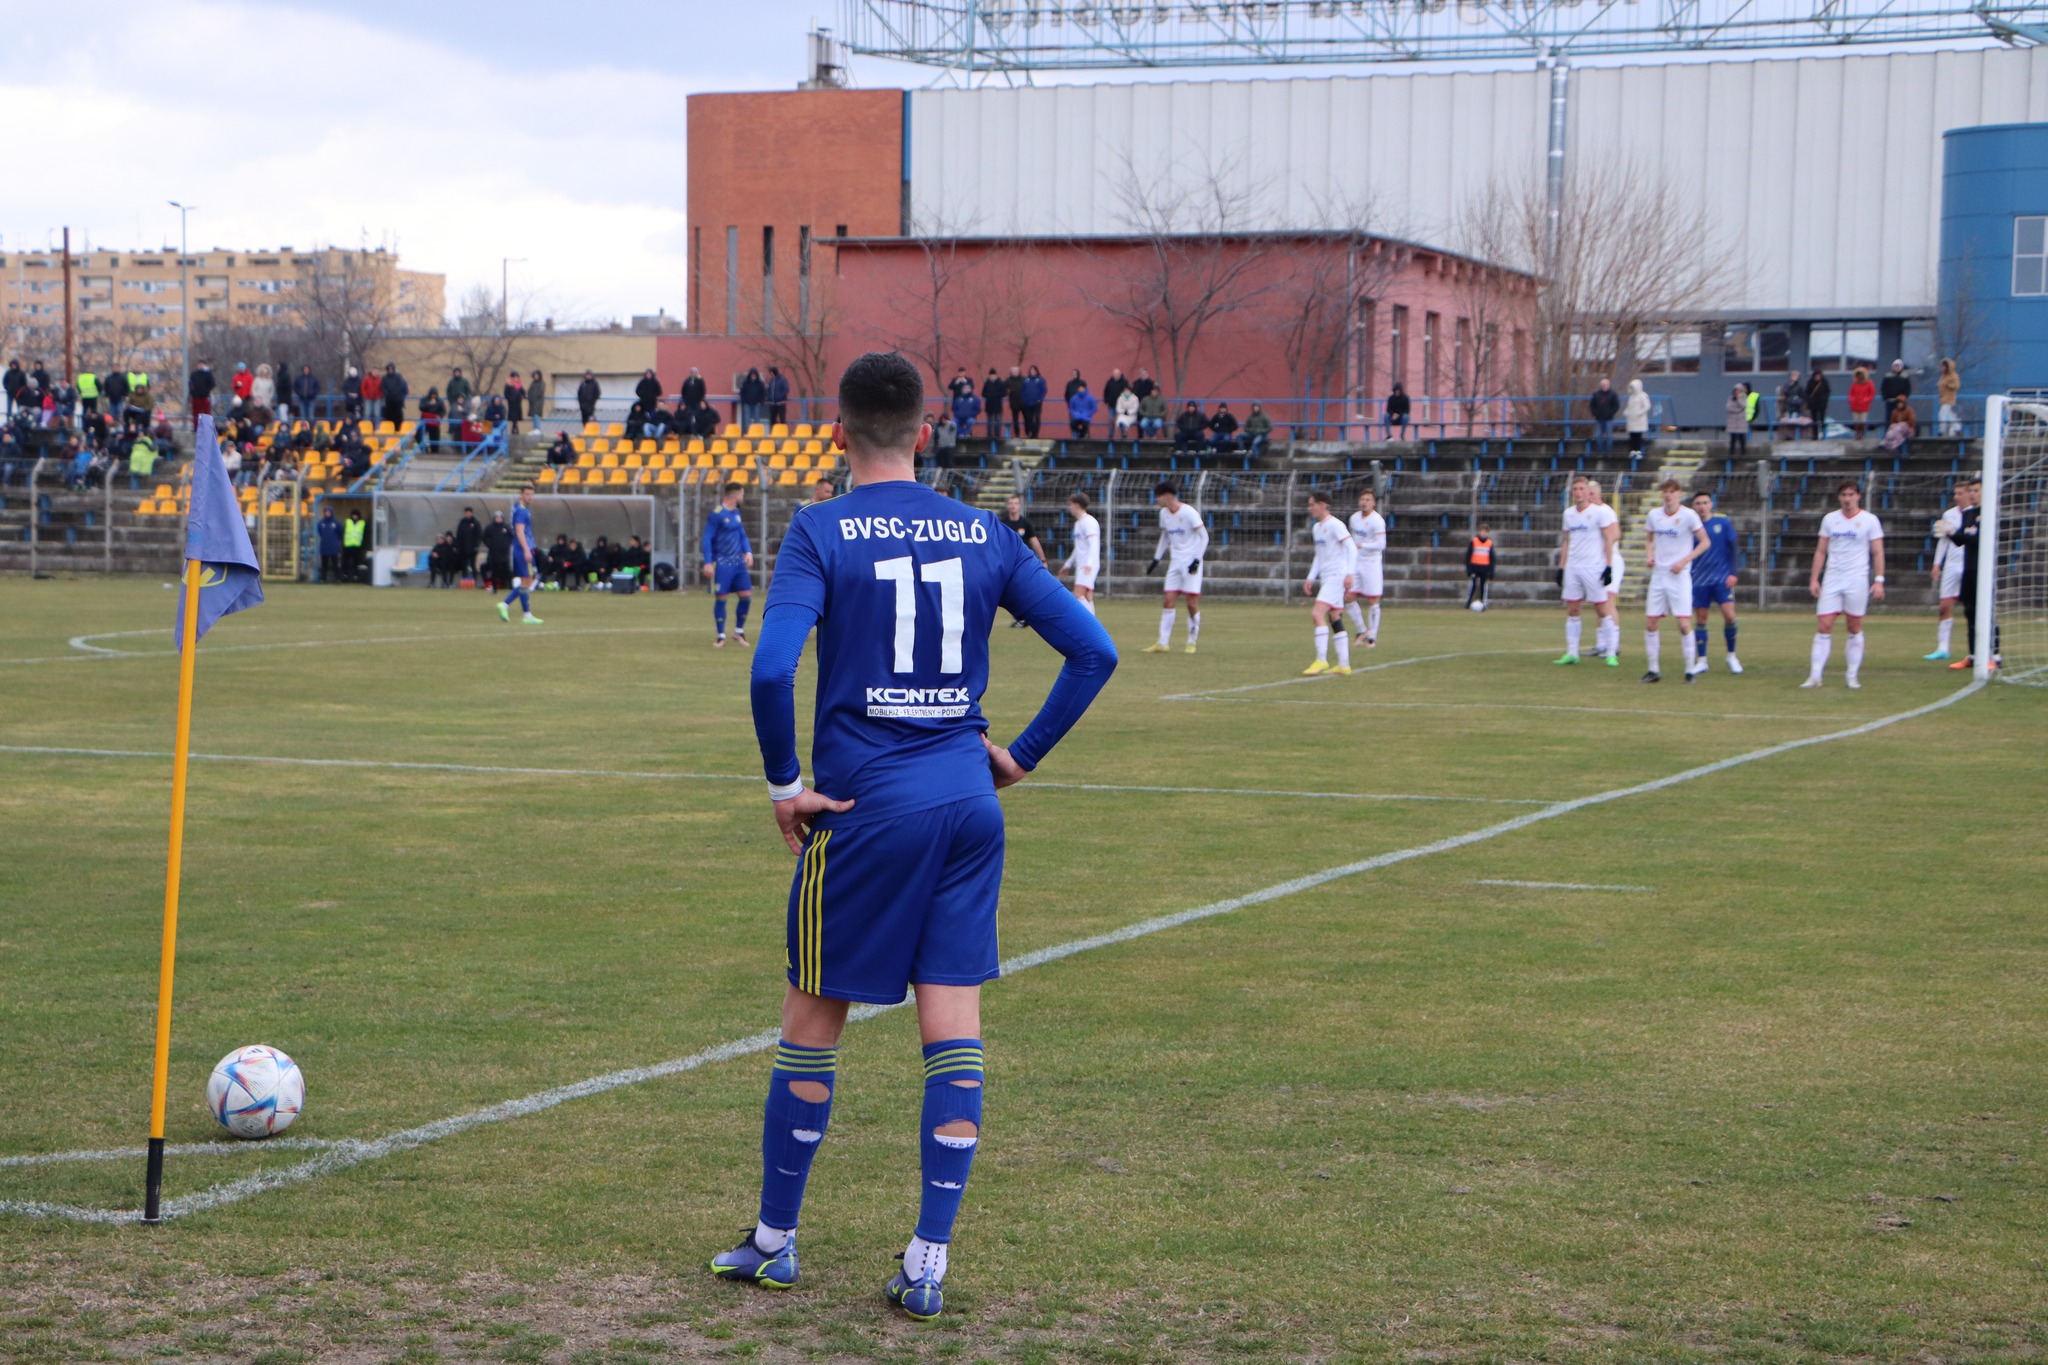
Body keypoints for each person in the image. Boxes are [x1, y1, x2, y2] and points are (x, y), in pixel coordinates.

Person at [712, 350, 1116, 1321]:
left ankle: (774, 1242)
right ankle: (926, 1259)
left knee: (813, 1025)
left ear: (839, 432)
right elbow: (1092, 650)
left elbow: (771, 672)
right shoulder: (982, 531)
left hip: (862, 811)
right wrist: (1014, 757)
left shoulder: (819, 528)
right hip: (965, 810)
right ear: (924, 432)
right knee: (952, 1035)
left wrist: (783, 787)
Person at [1803, 481, 1884, 689]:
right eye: (1843, 495)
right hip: (1833, 577)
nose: (1847, 499)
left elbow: (1877, 551)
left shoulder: (1869, 520)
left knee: (1854, 625)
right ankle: (1815, 675)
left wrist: (1879, 580)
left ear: (1858, 496)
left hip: (1857, 578)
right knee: (1824, 625)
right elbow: (1821, 551)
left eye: (1851, 494)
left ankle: (1852, 675)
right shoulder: (1830, 520)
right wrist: (1814, 578)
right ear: (1839, 497)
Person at [1640, 480, 1710, 684]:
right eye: (1665, 492)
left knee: (1683, 623)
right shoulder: (1654, 515)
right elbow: (1649, 538)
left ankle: (1689, 670)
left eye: (1672, 492)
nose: (1668, 495)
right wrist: (1649, 555)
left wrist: (1684, 560)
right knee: (1651, 622)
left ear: (1679, 494)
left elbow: (1705, 542)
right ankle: (1653, 670)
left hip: (1679, 577)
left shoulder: (1688, 515)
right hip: (1660, 575)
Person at [1555, 476, 1619, 667]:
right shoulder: (1568, 514)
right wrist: (1561, 566)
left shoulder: (1599, 513)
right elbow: (1567, 540)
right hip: (1573, 567)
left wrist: (1608, 567)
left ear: (1587, 492)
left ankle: (1610, 652)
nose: (1578, 492)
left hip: (1593, 567)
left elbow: (1609, 539)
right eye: (1575, 489)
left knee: (1602, 609)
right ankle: (1572, 653)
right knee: (1573, 609)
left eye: (1581, 489)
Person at [1144, 481, 1208, 654]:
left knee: (1191, 604)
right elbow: (1165, 536)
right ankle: (1163, 642)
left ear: (1167, 496)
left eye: (1157, 497)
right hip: (1175, 562)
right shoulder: (1164, 513)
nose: (1156, 500)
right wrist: (1156, 558)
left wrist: (1196, 559)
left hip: (1191, 564)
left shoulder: (1189, 512)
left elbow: (1204, 537)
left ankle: (1191, 642)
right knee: (1168, 600)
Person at [1943, 476, 1997, 672]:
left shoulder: (1989, 513)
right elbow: (1962, 541)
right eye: (1971, 491)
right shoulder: (1968, 514)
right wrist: (1949, 532)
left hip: (1985, 570)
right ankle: (1974, 655)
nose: (1972, 494)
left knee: (1987, 612)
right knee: (1969, 612)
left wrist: (1962, 534)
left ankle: (1994, 656)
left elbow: (1980, 539)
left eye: (1976, 490)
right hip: (1970, 569)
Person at [1301, 490, 1356, 677]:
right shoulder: (1317, 528)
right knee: (1334, 616)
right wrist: (1310, 577)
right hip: (1326, 577)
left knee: (1317, 614)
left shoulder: (1336, 525)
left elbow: (1352, 549)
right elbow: (1319, 556)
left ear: (1323, 504)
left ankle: (1321, 659)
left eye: (1312, 504)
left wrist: (1350, 573)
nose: (1310, 508)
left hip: (1336, 577)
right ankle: (1343, 664)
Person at [1689, 491, 1745, 675]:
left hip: (1722, 578)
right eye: (1698, 503)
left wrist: (1733, 573)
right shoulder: (1690, 526)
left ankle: (1731, 655)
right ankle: (1702, 660)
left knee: (1729, 616)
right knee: (1701, 619)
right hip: (1699, 579)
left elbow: (1734, 549)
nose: (1702, 506)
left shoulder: (1723, 523)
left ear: (1711, 504)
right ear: (1693, 506)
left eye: (1705, 502)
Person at [703, 480, 755, 646]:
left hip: (738, 564)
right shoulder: (717, 514)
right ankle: (721, 636)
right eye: (742, 494)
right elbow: (707, 539)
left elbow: (742, 535)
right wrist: (708, 562)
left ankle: (739, 631)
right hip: (723, 563)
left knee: (746, 596)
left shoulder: (736, 513)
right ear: (736, 495)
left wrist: (748, 552)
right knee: (721, 598)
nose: (743, 497)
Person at [1927, 478, 1973, 661]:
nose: (1957, 496)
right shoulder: (1949, 515)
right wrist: (1937, 564)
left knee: (1971, 607)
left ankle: (1978, 649)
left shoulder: (1976, 514)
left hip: (1969, 564)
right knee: (1945, 605)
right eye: (1955, 493)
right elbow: (1943, 541)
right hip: (1952, 565)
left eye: (1960, 493)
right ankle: (1943, 647)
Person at [1344, 488, 1387, 647]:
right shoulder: (1354, 518)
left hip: (1371, 564)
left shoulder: (1377, 520)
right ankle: (1362, 630)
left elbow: (1381, 544)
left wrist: (1363, 545)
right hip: (1355, 563)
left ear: (1373, 503)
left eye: (1368, 500)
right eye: (1362, 499)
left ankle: (1372, 637)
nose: (1364, 502)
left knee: (1373, 599)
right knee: (1348, 597)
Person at [495, 485, 544, 624]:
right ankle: (523, 613)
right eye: (527, 494)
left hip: (524, 548)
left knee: (526, 581)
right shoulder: (521, 511)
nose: (530, 497)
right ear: (521, 495)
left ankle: (508, 606)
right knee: (526, 581)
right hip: (523, 550)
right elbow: (519, 531)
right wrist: (527, 550)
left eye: (531, 494)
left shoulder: (520, 508)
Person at [996, 495, 1046, 627]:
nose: (1013, 506)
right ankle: (1022, 617)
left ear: (1019, 506)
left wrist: (1043, 558)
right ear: (1008, 506)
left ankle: (1026, 617)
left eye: (1016, 503)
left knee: (1025, 590)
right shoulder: (1003, 524)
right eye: (1011, 503)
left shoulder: (1025, 523)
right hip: (1007, 563)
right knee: (1009, 592)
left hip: (1023, 563)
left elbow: (1033, 541)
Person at [1057, 491, 1100, 615]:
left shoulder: (1089, 522)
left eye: (1070, 504)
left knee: (1078, 595)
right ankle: (1093, 627)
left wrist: (1089, 564)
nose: (1069, 507)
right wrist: (1068, 565)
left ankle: (1090, 625)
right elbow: (1078, 548)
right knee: (1086, 597)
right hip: (1082, 565)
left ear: (1076, 505)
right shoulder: (1078, 523)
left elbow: (1094, 544)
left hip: (1087, 565)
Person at [1464, 524, 1494, 610]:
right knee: (1472, 586)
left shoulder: (1489, 543)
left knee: (1483, 587)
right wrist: (1469, 569)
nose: (1483, 533)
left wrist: (1491, 571)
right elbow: (1468, 556)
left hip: (1485, 567)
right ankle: (1468, 603)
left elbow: (1492, 558)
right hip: (1475, 567)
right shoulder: (1474, 541)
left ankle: (1483, 604)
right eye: (1482, 531)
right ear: (1479, 532)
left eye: (1485, 532)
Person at [481, 510, 513, 590]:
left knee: (506, 570)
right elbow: (484, 537)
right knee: (494, 570)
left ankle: (510, 586)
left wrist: (507, 544)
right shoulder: (490, 527)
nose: (498, 519)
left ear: (502, 518)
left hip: (504, 553)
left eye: (500, 517)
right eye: (497, 517)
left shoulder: (507, 527)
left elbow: (512, 536)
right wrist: (490, 545)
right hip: (494, 553)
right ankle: (494, 586)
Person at [1588, 378, 1619, 454]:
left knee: (1609, 436)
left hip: (1609, 418)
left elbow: (1616, 405)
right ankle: (1600, 450)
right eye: (1603, 385)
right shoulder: (1596, 394)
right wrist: (1595, 413)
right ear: (1601, 386)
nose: (1605, 386)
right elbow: (1592, 405)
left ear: (1609, 385)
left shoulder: (1613, 394)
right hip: (1599, 418)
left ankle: (1609, 451)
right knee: (1597, 435)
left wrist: (1611, 413)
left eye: (1606, 385)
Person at [1623, 377, 1652, 456]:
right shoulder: (1631, 397)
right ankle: (1632, 450)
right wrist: (1626, 411)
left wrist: (1640, 412)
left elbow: (1647, 406)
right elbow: (1629, 407)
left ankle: (1638, 451)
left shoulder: (1643, 396)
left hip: (1639, 420)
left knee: (1638, 436)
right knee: (1632, 435)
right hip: (1631, 420)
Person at [454, 505, 484, 580]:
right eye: (466, 512)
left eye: (469, 512)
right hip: (463, 548)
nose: (467, 514)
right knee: (464, 565)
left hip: (472, 548)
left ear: (471, 513)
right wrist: (458, 546)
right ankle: (464, 579)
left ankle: (474, 580)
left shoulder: (475, 522)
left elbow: (479, 535)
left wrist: (476, 546)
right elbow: (459, 535)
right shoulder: (462, 522)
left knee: (472, 564)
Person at [341, 508, 369, 582]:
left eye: (356, 515)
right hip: (347, 545)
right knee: (345, 561)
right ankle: (345, 575)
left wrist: (363, 545)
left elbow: (365, 535)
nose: (354, 517)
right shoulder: (348, 522)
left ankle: (356, 576)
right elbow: (343, 532)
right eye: (353, 515)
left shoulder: (362, 523)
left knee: (356, 562)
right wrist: (343, 544)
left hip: (357, 546)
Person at [316, 507, 343, 583]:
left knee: (335, 564)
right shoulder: (321, 523)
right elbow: (320, 533)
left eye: (328, 512)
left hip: (334, 547)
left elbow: (340, 534)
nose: (327, 513)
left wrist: (337, 543)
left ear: (331, 513)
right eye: (326, 512)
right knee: (324, 564)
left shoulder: (337, 523)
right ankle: (323, 579)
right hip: (324, 546)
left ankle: (338, 579)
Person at [1778, 370, 1807, 440]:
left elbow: (1803, 396)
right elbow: (1783, 394)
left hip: (1796, 407)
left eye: (1795, 376)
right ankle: (1787, 437)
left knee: (1796, 422)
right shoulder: (1786, 386)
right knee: (1787, 422)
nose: (1794, 377)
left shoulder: (1800, 386)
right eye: (1793, 375)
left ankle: (1796, 437)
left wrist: (1799, 401)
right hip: (1788, 406)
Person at [1848, 366, 1875, 438]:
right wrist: (1852, 400)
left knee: (1863, 421)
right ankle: (1857, 434)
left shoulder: (1869, 383)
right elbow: (1851, 394)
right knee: (1856, 421)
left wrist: (1866, 400)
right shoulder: (1854, 384)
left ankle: (1862, 434)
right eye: (1858, 374)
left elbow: (1872, 393)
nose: (1860, 376)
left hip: (1864, 405)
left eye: (1861, 374)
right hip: (1855, 405)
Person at [1019, 366, 1046, 438]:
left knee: (1036, 417)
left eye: (1034, 370)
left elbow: (1044, 390)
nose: (1032, 371)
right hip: (1027, 403)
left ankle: (1035, 434)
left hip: (1037, 403)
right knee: (1028, 418)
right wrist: (1024, 400)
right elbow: (1023, 391)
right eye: (1031, 370)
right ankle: (1029, 433)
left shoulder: (1040, 379)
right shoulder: (1026, 379)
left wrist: (1039, 399)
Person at [1937, 359, 1962, 437]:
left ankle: (1941, 431)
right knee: (1950, 415)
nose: (1942, 368)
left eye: (1944, 367)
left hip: (1949, 399)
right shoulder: (1943, 376)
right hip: (1943, 399)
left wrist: (1948, 384)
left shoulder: (1953, 375)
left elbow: (1957, 385)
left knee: (1942, 414)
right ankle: (1957, 428)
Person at [1805, 368, 1832, 439]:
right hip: (1813, 405)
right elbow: (1807, 393)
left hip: (1821, 405)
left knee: (1822, 420)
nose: (1818, 377)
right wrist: (1810, 401)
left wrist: (1824, 400)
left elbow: (1827, 392)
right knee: (1814, 421)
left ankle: (1823, 435)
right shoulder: (1810, 382)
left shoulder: (1824, 382)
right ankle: (1815, 436)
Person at [980, 369, 1007, 441]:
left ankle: (997, 434)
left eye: (993, 375)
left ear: (996, 375)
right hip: (989, 404)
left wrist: (996, 395)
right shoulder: (987, 383)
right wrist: (988, 395)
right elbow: (983, 393)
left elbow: (1004, 393)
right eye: (991, 375)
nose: (992, 376)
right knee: (990, 421)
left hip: (998, 404)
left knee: (998, 420)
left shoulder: (1001, 383)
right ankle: (989, 434)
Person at [188, 362, 215, 428]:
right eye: (199, 365)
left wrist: (206, 390)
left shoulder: (208, 374)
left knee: (206, 412)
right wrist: (192, 392)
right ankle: (196, 427)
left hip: (204, 396)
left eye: (202, 365)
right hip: (195, 397)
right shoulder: (194, 374)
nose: (200, 366)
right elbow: (190, 383)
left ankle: (207, 427)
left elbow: (212, 383)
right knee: (195, 413)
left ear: (204, 365)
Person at [1725, 385, 1750, 455]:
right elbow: (1728, 407)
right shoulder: (1730, 398)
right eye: (1736, 390)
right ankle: (1731, 452)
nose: (1737, 392)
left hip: (1741, 420)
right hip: (1732, 420)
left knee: (1742, 436)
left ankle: (1743, 452)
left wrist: (1739, 399)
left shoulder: (1744, 397)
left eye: (1738, 390)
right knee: (1733, 437)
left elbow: (1744, 405)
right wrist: (1737, 410)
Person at [1004, 366, 1025, 438]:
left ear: (1019, 372)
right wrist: (1007, 392)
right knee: (1015, 420)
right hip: (1014, 403)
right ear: (1011, 372)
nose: (1015, 373)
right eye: (1013, 371)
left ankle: (1027, 433)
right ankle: (1017, 434)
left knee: (1027, 418)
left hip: (1024, 403)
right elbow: (1003, 391)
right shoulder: (1008, 380)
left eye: (1016, 371)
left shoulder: (1024, 379)